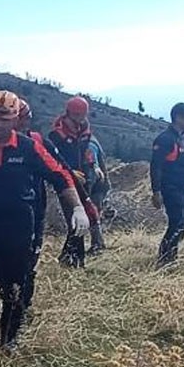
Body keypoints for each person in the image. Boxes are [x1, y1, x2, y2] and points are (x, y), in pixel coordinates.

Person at [0, 91, 86, 367]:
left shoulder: (28, 147)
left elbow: (59, 175)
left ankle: (9, 338)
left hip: (18, 226)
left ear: (15, 119)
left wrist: (77, 207)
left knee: (14, 285)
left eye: (6, 119)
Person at [14, 97, 74, 312]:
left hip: (35, 212)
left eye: (26, 118)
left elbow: (61, 171)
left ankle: (23, 308)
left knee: (28, 263)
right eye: (21, 118)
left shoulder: (37, 142)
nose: (23, 123)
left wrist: (80, 204)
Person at [47, 97, 107, 257]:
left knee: (89, 215)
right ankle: (72, 258)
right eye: (77, 115)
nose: (81, 118)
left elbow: (88, 150)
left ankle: (77, 256)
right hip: (66, 183)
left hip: (85, 179)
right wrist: (71, 172)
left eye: (83, 115)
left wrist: (94, 165)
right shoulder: (56, 135)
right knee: (74, 219)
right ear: (69, 113)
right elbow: (53, 160)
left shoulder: (85, 130)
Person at [151, 103, 184, 266]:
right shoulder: (165, 139)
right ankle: (164, 259)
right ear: (178, 118)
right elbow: (156, 166)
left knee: (182, 223)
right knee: (176, 222)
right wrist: (156, 191)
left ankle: (172, 256)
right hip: (171, 187)